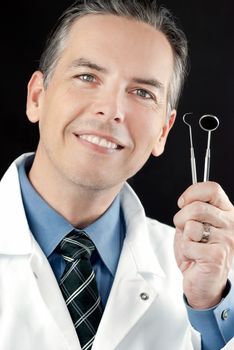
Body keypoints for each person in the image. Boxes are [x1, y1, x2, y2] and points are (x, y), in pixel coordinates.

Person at [1, 1, 234, 349]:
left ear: (163, 132)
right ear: (37, 97)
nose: (112, 110)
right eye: (87, 77)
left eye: (142, 93)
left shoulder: (211, 281)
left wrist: (210, 309)